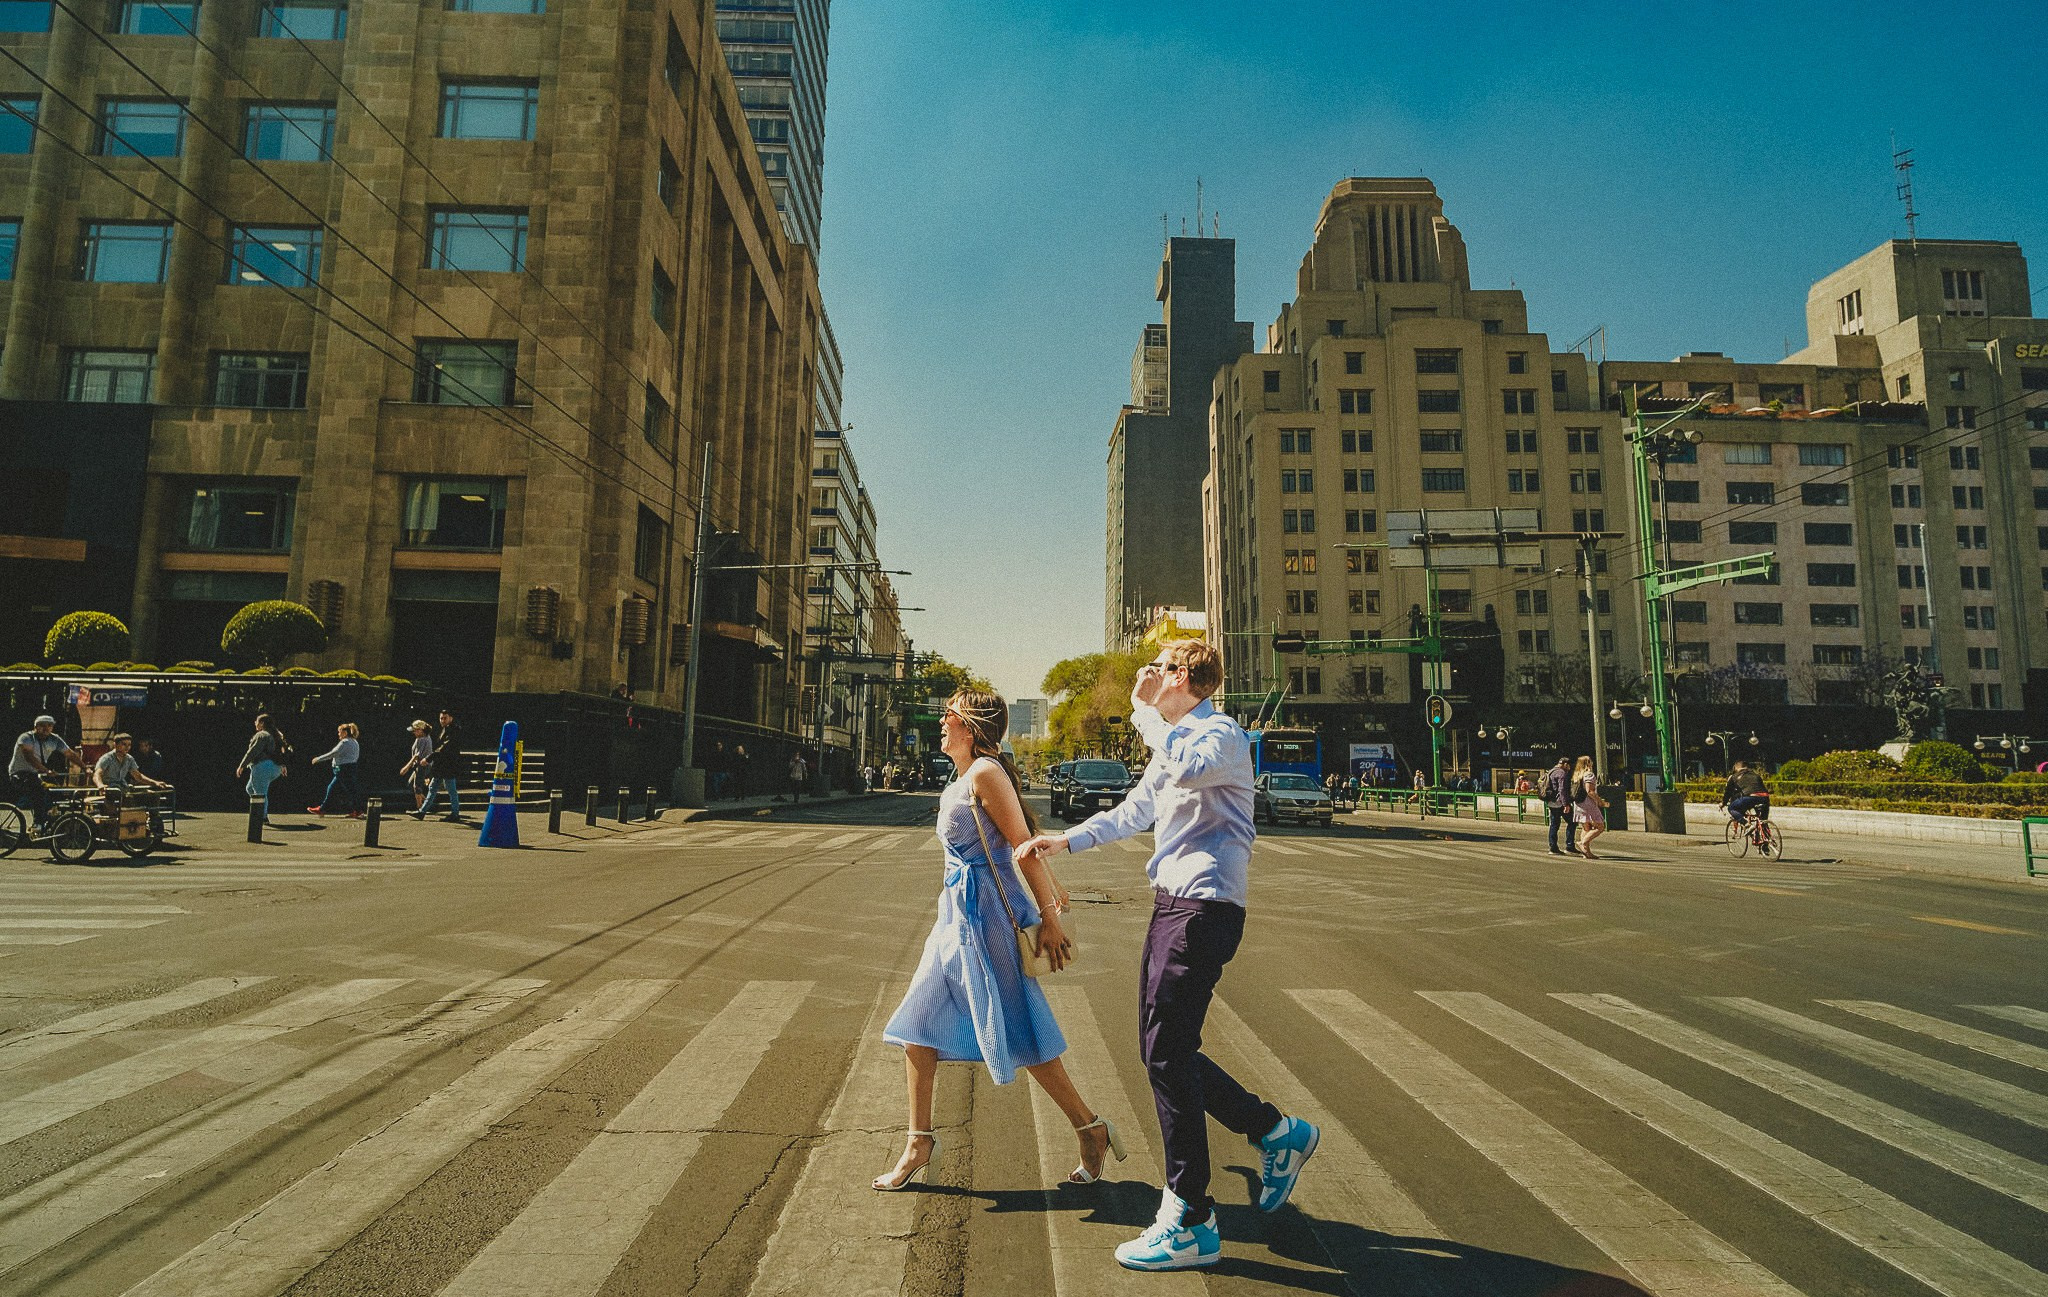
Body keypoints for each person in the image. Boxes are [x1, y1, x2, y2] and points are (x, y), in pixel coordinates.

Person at [1019, 640, 1319, 1272]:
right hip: (1174, 904)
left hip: (1205, 907)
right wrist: (1063, 843)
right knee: (1167, 1049)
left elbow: (1184, 769)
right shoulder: (1176, 738)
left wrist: (1147, 715)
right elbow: (1137, 810)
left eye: (1156, 668)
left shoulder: (1221, 734)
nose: (1144, 677)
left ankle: (1190, 1213)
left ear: (1185, 678)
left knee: (1163, 1050)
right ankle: (1272, 1133)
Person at [875, 690, 1120, 1193]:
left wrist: (1050, 916)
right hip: (955, 919)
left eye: (949, 715)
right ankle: (919, 1141)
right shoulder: (964, 776)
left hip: (987, 917)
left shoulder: (987, 773)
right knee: (916, 1023)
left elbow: (1024, 848)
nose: (941, 722)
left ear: (970, 727)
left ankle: (1089, 1127)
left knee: (1020, 1029)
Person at [9, 714, 78, 823]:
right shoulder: (26, 738)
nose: (46, 728)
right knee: (38, 791)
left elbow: (70, 754)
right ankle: (38, 823)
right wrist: (47, 771)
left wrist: (85, 767)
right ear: (35, 727)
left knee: (56, 791)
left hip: (35, 774)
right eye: (42, 725)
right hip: (19, 773)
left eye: (49, 725)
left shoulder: (54, 739)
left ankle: (51, 818)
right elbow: (29, 757)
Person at [235, 714, 289, 823]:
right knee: (250, 789)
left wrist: (242, 765)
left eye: (257, 721)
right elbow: (279, 753)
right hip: (275, 768)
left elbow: (252, 751)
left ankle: (262, 817)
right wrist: (283, 765)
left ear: (262, 723)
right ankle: (261, 812)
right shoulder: (275, 735)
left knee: (260, 793)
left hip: (262, 766)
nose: (255, 722)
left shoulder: (262, 735)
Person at [412, 709, 464, 821]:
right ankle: (422, 811)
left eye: (445, 718)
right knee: (433, 788)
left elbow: (444, 748)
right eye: (441, 718)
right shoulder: (449, 729)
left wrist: (429, 758)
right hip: (443, 765)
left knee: (450, 789)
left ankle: (455, 814)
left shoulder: (453, 730)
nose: (442, 720)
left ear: (451, 718)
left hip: (447, 765)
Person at [308, 722, 363, 818]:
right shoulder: (355, 742)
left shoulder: (345, 742)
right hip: (350, 768)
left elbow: (333, 753)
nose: (338, 734)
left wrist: (319, 759)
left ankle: (322, 809)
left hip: (342, 769)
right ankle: (356, 810)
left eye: (340, 732)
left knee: (339, 789)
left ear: (345, 733)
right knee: (342, 789)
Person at [93, 732, 171, 795]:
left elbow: (138, 777)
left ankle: (152, 814)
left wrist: (155, 783)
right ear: (115, 745)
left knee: (151, 794)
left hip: (123, 788)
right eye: (124, 744)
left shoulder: (129, 759)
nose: (127, 747)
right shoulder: (107, 758)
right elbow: (97, 774)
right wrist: (100, 785)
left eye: (129, 745)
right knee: (115, 795)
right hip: (109, 789)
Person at [1571, 755, 1606, 859]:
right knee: (1600, 826)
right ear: (1588, 763)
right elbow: (1589, 791)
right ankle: (1583, 843)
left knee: (1586, 827)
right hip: (1588, 804)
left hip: (1578, 803)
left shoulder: (1577, 775)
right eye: (1591, 761)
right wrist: (1599, 801)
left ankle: (1586, 853)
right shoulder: (1589, 774)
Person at [1541, 755, 1576, 857]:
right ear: (1565, 764)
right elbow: (1562, 790)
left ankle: (1553, 847)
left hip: (1551, 802)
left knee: (1554, 824)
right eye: (1569, 766)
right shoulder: (1562, 773)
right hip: (1559, 802)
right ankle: (1570, 846)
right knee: (1572, 822)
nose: (1569, 768)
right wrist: (1566, 804)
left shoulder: (1551, 771)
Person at [1721, 759, 1770, 827]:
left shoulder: (1734, 777)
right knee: (1762, 821)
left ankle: (1745, 823)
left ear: (1736, 768)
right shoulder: (1756, 775)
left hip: (1750, 798)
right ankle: (1766, 834)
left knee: (1731, 808)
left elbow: (1728, 792)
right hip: (1765, 797)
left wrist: (1723, 803)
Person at [398, 720, 433, 810]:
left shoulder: (421, 739)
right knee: (411, 784)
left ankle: (420, 808)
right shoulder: (426, 737)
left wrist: (406, 767)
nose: (413, 732)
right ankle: (427, 804)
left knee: (417, 786)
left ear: (420, 730)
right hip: (423, 765)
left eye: (415, 730)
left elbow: (416, 756)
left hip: (422, 765)